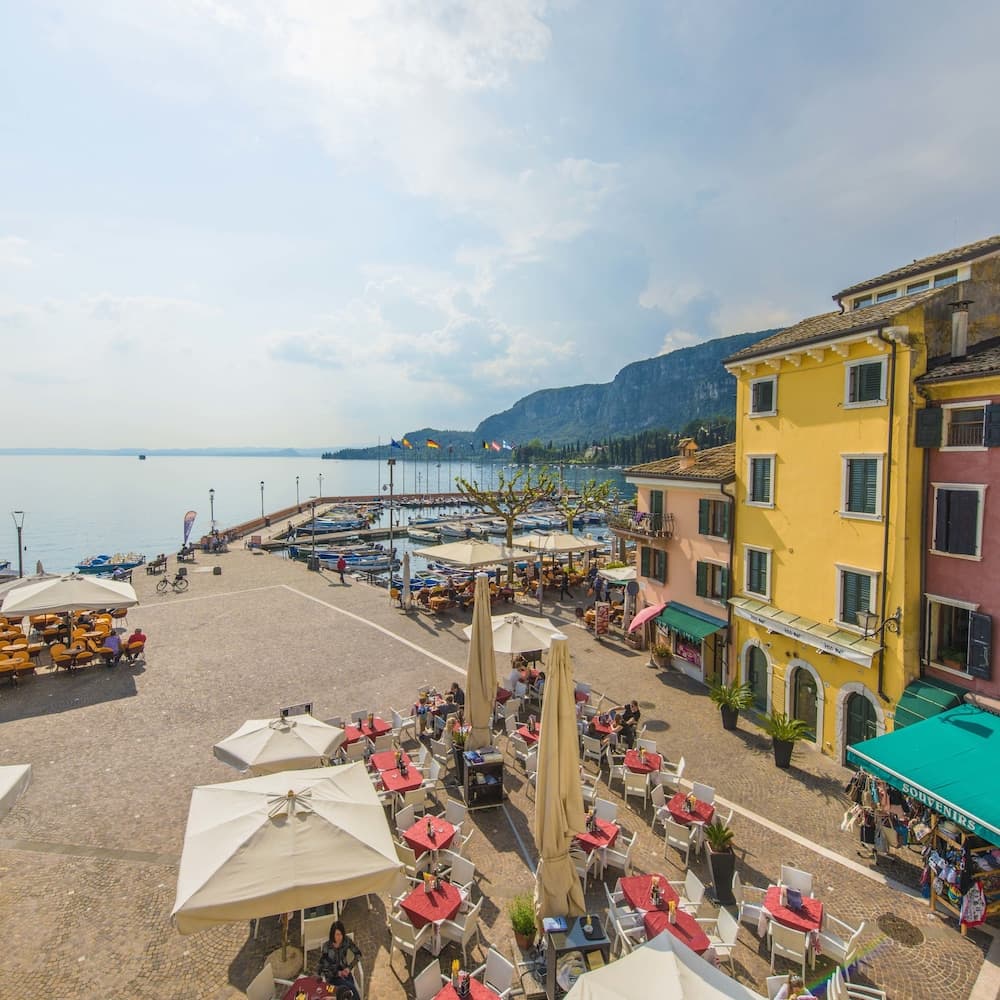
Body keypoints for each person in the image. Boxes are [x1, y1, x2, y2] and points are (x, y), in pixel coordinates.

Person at [316, 920, 362, 993]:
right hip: (332, 977)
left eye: (341, 934)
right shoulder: (327, 947)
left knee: (349, 990)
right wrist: (338, 973)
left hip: (345, 973)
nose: (340, 937)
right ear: (332, 934)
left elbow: (358, 954)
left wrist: (349, 968)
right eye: (337, 934)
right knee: (350, 989)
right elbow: (322, 967)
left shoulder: (346, 941)